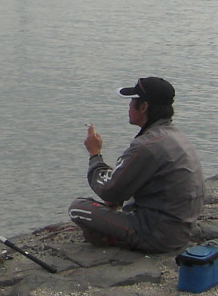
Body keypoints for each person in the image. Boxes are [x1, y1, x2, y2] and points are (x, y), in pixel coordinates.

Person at [69, 77, 204, 253]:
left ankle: (114, 238)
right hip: (179, 230)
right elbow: (123, 184)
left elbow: (108, 189)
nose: (129, 106)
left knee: (78, 208)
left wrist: (95, 154)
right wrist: (114, 198)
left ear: (143, 107)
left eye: (132, 101)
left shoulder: (148, 145)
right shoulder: (174, 136)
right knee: (124, 194)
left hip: (157, 237)